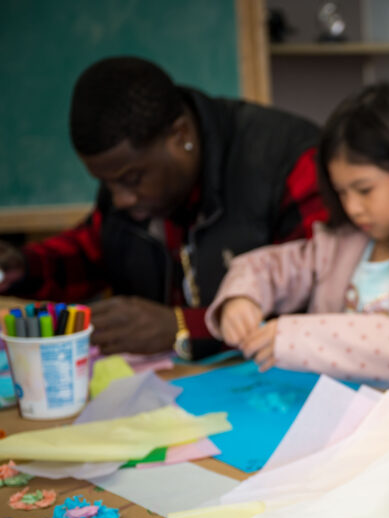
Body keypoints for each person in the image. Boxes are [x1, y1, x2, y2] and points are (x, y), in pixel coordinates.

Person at [0, 56, 326, 359]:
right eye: (106, 183)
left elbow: (326, 300)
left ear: (180, 135)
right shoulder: (133, 187)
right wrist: (22, 266)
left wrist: (185, 326)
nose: (120, 200)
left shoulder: (291, 163)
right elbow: (93, 251)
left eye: (131, 179)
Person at [206, 82, 389, 395]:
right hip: (344, 420)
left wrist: (301, 338)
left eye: (364, 190)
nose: (352, 207)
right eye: (341, 192)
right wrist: (241, 299)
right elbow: (268, 266)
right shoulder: (341, 244)